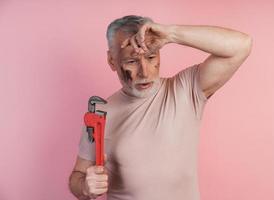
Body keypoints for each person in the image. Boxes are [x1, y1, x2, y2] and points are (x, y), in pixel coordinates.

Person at [68, 15, 252, 200]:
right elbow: (78, 175)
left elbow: (241, 45)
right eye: (131, 61)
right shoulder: (100, 113)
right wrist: (85, 187)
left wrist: (171, 34)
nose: (144, 72)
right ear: (112, 60)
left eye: (150, 57)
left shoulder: (185, 90)